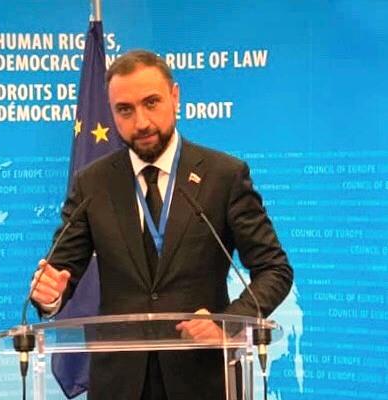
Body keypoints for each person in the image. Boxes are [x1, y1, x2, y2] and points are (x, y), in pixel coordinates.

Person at [31, 50, 293, 400]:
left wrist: (228, 323)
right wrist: (49, 294)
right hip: (119, 384)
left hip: (203, 379)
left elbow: (274, 269)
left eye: (151, 103)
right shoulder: (93, 183)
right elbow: (59, 272)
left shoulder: (223, 176)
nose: (141, 122)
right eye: (125, 110)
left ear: (175, 97)